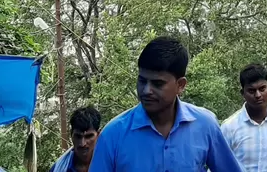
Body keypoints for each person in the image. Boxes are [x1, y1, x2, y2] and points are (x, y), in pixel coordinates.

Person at [89, 36, 243, 172]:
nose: (146, 90)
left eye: (157, 83)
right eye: (142, 81)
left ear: (180, 85)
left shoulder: (205, 125)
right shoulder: (113, 135)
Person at [51, 106, 101, 172]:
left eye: (88, 136)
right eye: (78, 136)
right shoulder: (59, 168)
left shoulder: (110, 162)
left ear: (98, 135)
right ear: (71, 135)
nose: (83, 144)